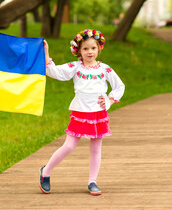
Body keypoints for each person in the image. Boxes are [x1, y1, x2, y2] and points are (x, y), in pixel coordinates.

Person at [39, 29, 125, 196]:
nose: (89, 52)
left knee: (96, 148)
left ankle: (92, 181)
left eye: (93, 48)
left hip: (98, 113)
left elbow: (119, 86)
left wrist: (109, 100)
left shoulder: (105, 69)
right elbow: (55, 72)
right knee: (69, 145)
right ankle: (46, 171)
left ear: (99, 48)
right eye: (85, 49)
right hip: (80, 112)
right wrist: (46, 53)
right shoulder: (75, 67)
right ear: (78, 51)